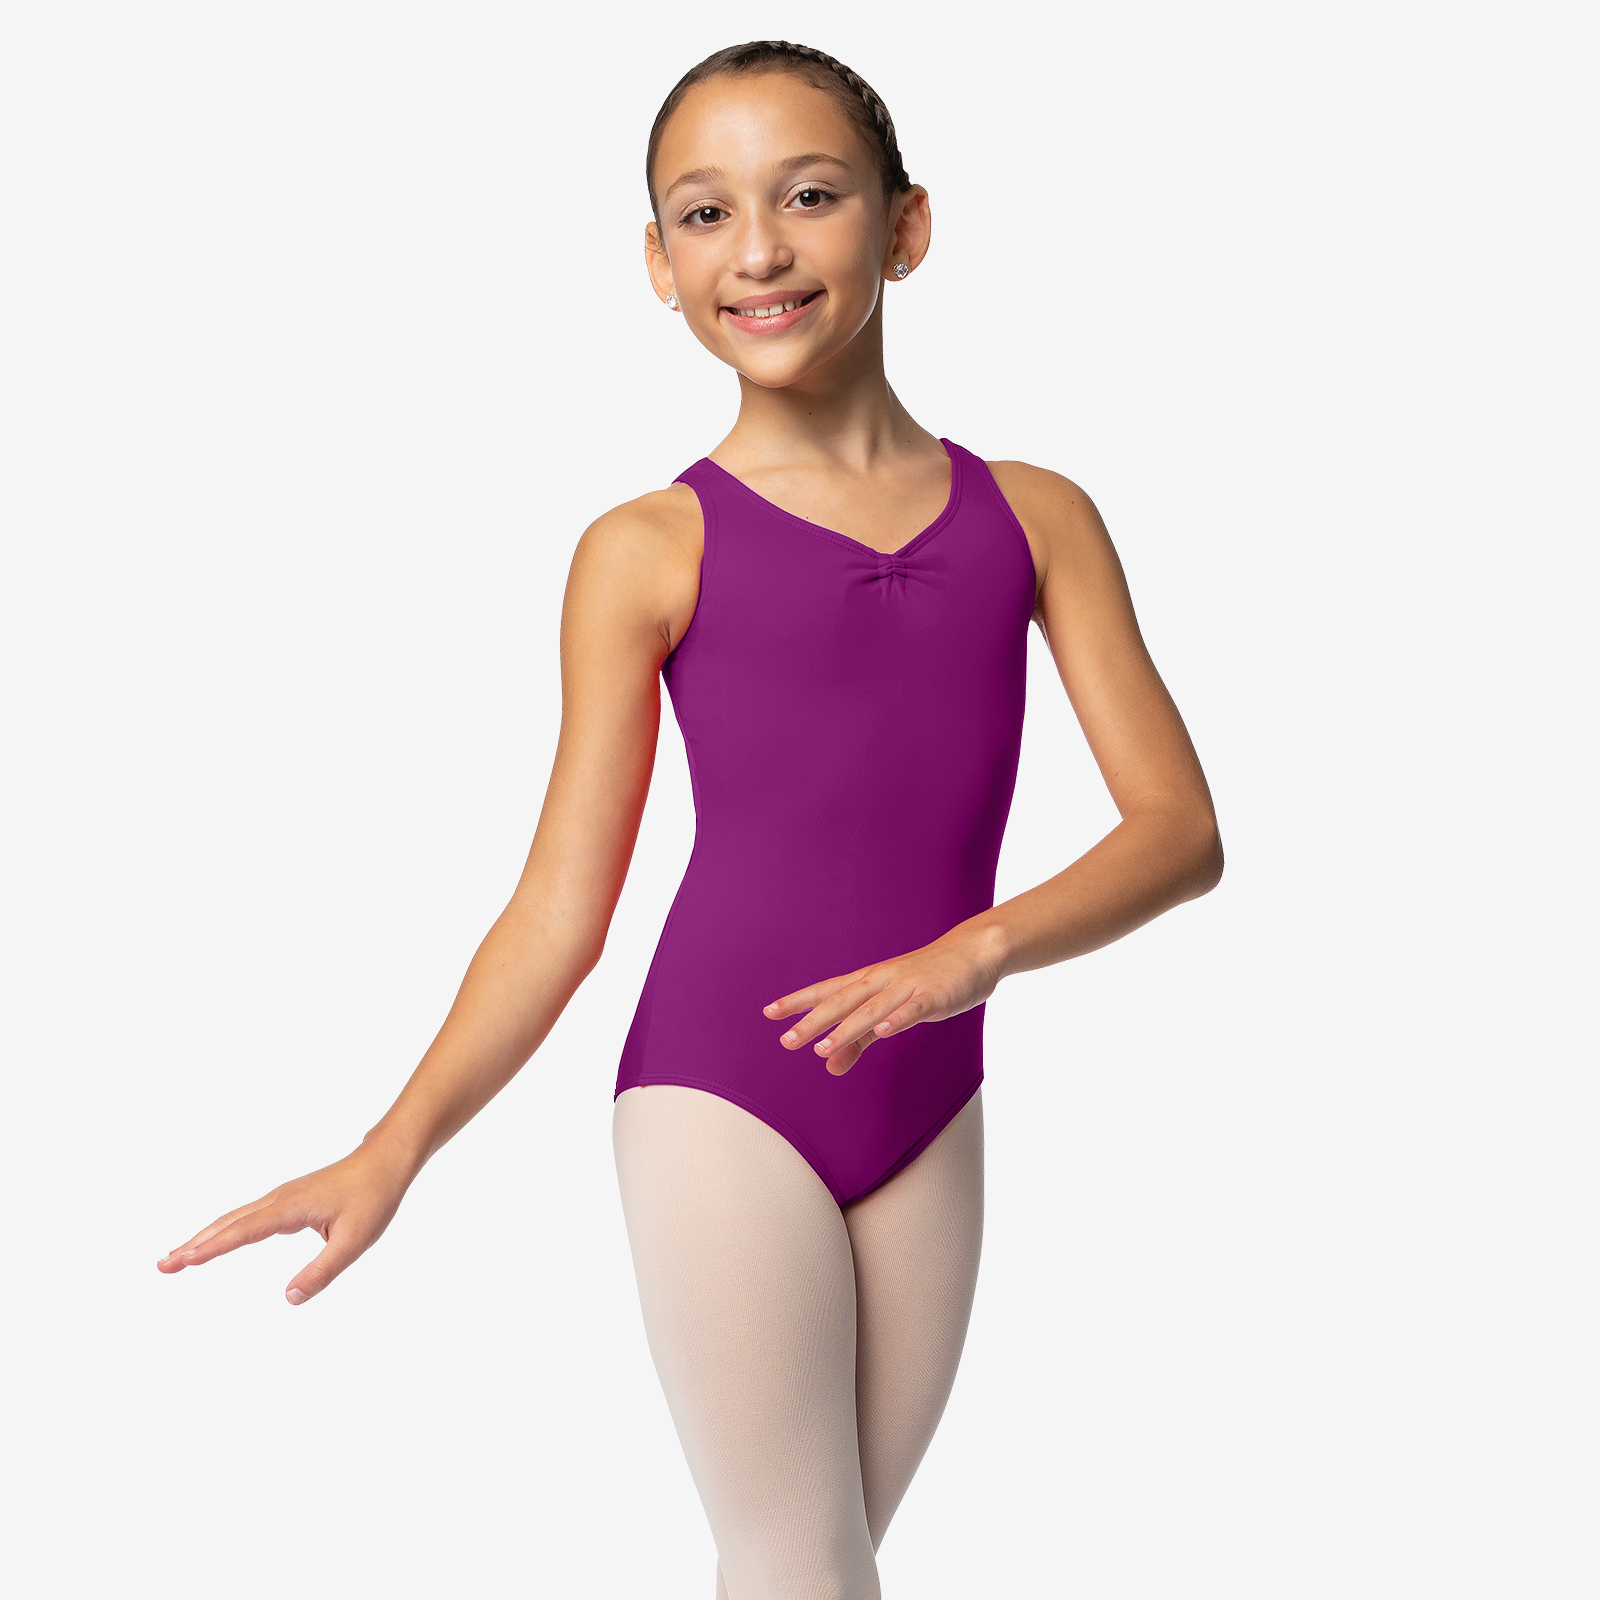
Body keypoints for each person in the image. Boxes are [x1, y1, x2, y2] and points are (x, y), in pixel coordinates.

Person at [158, 40, 1223, 1599]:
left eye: (811, 197)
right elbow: (557, 910)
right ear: (659, 265)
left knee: (810, 1568)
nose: (760, 251)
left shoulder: (1038, 516)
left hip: (932, 1092)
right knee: (804, 1567)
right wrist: (397, 1146)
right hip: (723, 1091)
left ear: (908, 226)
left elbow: (1179, 829)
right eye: (706, 214)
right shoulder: (648, 549)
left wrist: (973, 958)